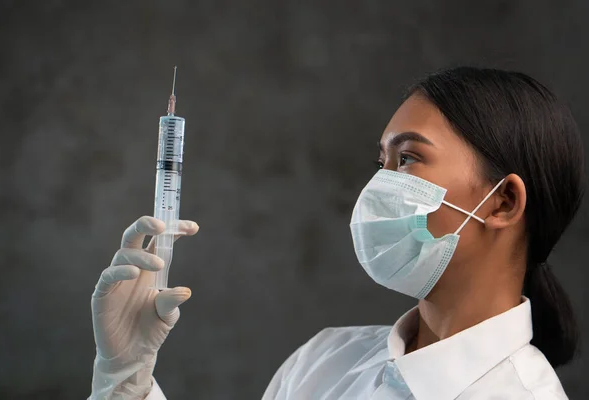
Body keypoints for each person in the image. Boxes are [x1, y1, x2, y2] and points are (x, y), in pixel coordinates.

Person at [88, 67, 585, 400]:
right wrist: (127, 377)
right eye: (381, 162)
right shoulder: (324, 362)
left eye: (408, 158)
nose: (379, 186)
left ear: (503, 202)